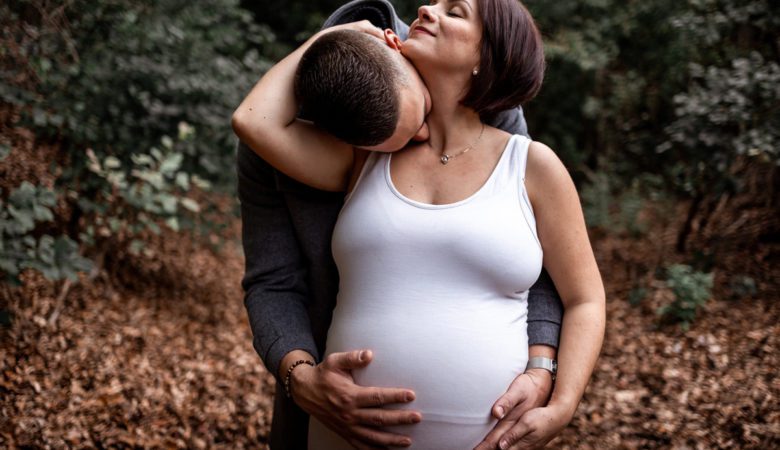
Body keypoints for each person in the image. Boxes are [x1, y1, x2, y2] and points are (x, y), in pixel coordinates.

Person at [234, 1, 583, 448]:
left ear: (484, 57)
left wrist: (551, 382)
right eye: (399, 132)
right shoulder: (360, 161)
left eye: (454, 10)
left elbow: (562, 283)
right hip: (340, 426)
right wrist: (302, 379)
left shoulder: (519, 150)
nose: (427, 7)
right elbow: (272, 278)